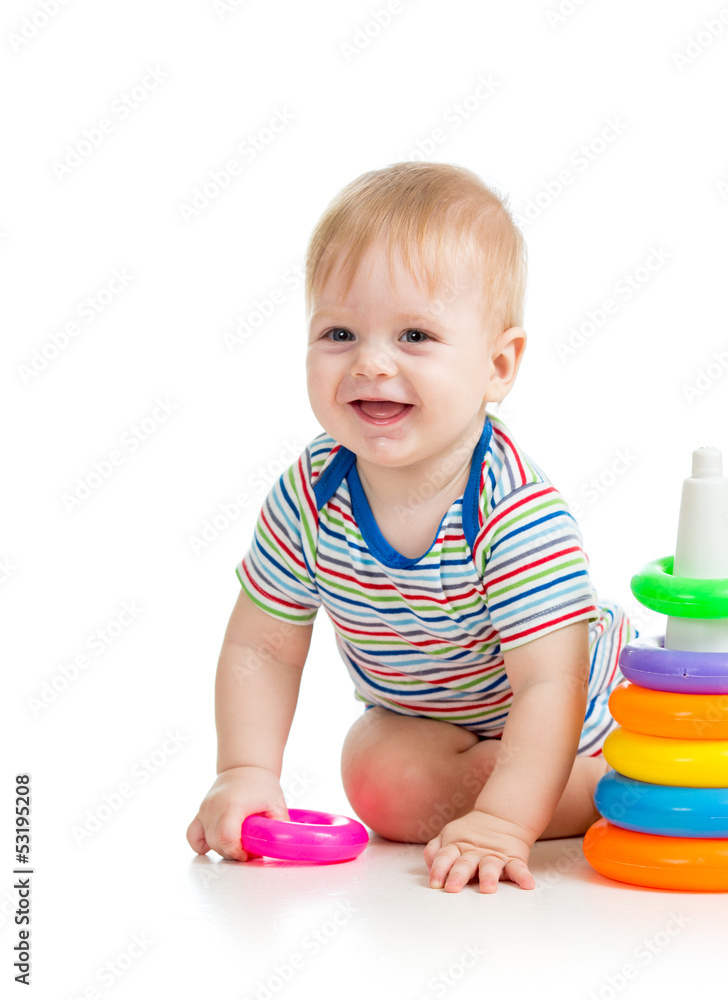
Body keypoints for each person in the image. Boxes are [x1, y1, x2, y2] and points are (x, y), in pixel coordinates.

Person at [186, 161, 634, 893]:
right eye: (338, 331)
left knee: (524, 749)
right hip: (440, 717)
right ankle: (533, 787)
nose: (369, 362)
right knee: (377, 782)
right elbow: (262, 646)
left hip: (575, 711)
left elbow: (550, 683)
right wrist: (244, 771)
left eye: (415, 336)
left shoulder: (512, 511)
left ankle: (623, 783)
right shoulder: (311, 492)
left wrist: (501, 823)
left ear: (496, 365)